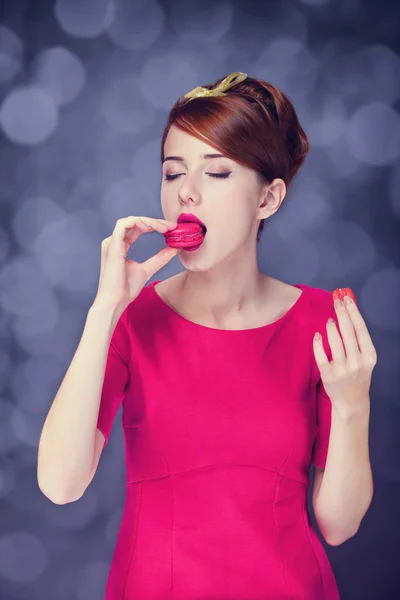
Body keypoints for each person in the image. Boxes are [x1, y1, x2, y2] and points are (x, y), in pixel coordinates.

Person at [38, 72, 341, 599]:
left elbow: (339, 524)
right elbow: (61, 484)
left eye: (217, 173)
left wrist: (354, 401)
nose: (187, 193)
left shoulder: (323, 321)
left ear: (267, 200)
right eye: (173, 173)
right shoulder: (133, 319)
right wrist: (105, 309)